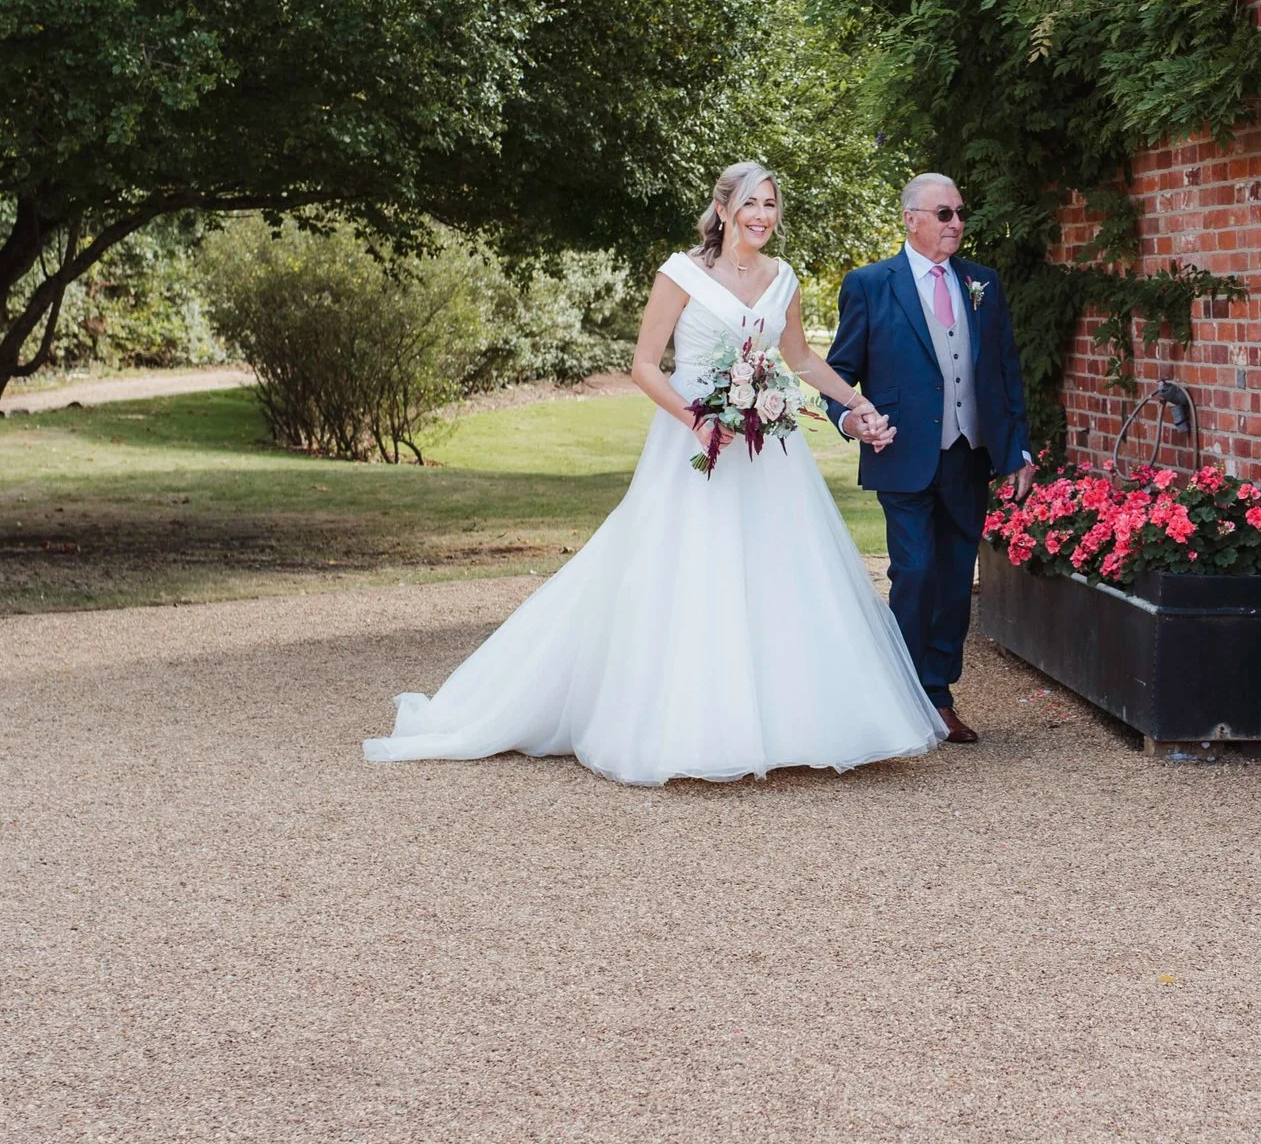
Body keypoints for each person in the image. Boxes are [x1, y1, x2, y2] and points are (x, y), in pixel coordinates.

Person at [363, 162, 945, 785]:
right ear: (723, 209)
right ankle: (687, 726)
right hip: (692, 442)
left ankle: (790, 725)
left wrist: (855, 404)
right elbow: (644, 364)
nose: (763, 216)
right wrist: (695, 419)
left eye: (772, 205)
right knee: (685, 570)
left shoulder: (784, 280)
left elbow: (797, 357)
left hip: (766, 448)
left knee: (780, 571)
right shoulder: (681, 273)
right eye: (752, 203)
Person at [825, 174, 1033, 743]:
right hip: (902, 451)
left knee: (951, 581)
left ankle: (938, 695)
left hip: (969, 454)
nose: (956, 223)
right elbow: (838, 373)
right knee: (914, 572)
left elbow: (1005, 372)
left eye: (960, 212)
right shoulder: (870, 285)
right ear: (910, 218)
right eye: (944, 214)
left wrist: (1017, 451)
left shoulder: (982, 284)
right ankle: (898, 692)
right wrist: (852, 419)